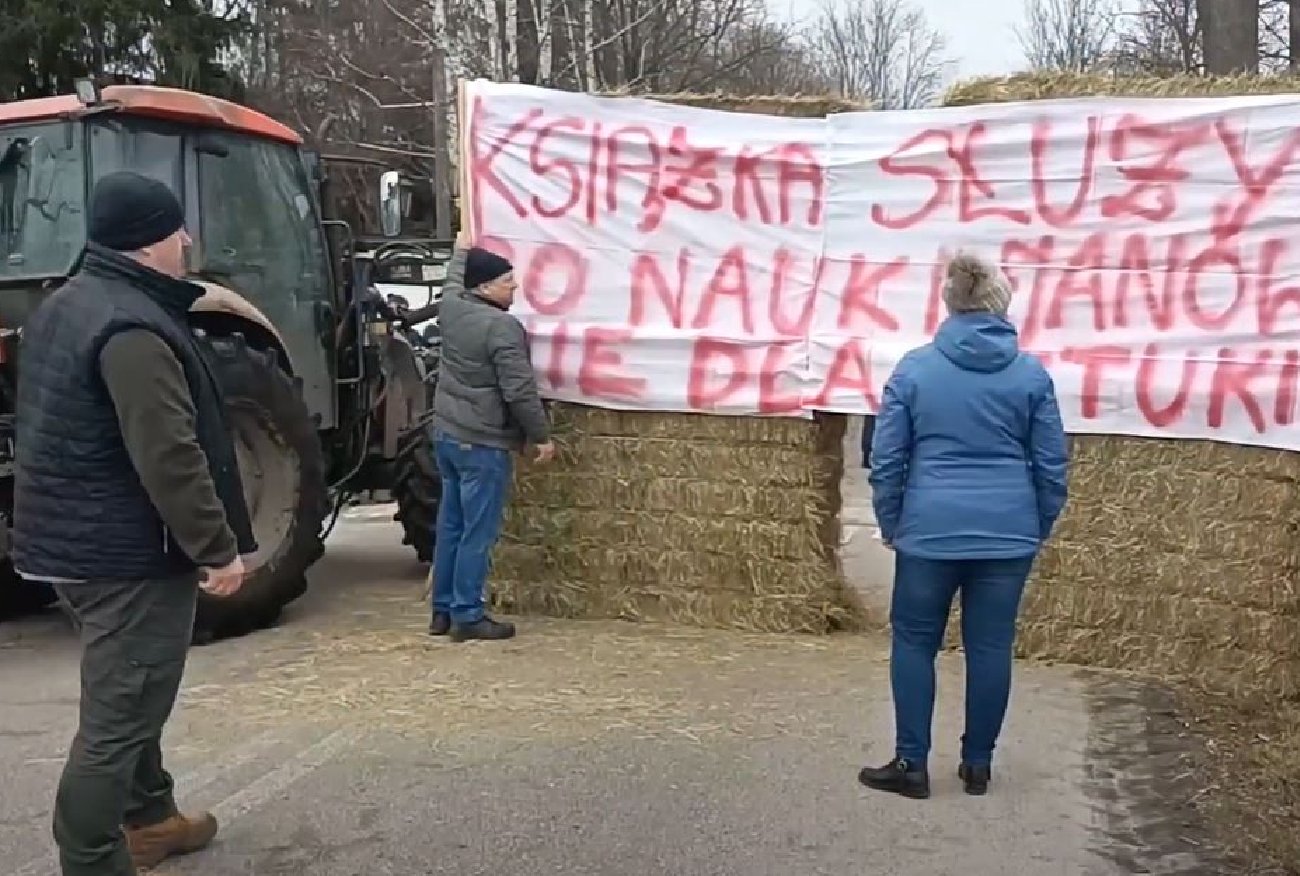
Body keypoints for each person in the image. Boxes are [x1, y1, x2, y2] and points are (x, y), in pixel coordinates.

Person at [12, 171, 257, 875]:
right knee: (119, 720)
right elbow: (168, 454)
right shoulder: (132, 329)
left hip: (71, 543)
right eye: (178, 230)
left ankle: (150, 819)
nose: (187, 240)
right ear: (150, 243)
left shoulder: (68, 302)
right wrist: (216, 548)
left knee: (129, 691)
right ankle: (92, 858)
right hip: (126, 556)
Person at [857, 252, 1068, 800]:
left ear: (949, 302)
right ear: (1002, 303)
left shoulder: (914, 369)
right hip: (1008, 532)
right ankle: (978, 764)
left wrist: (892, 522)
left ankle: (911, 763)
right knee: (991, 645)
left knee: (914, 640)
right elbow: (1052, 465)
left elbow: (887, 460)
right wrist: (1037, 525)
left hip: (929, 530)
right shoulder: (1031, 375)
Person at [428, 230, 554, 642]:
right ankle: (468, 614)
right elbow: (518, 390)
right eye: (506, 281)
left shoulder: (451, 307)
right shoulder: (501, 327)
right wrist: (540, 436)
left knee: (451, 526)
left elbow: (453, 279)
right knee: (477, 533)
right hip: (481, 442)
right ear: (484, 288)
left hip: (447, 435)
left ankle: (442, 611)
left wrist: (459, 252)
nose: (514, 286)